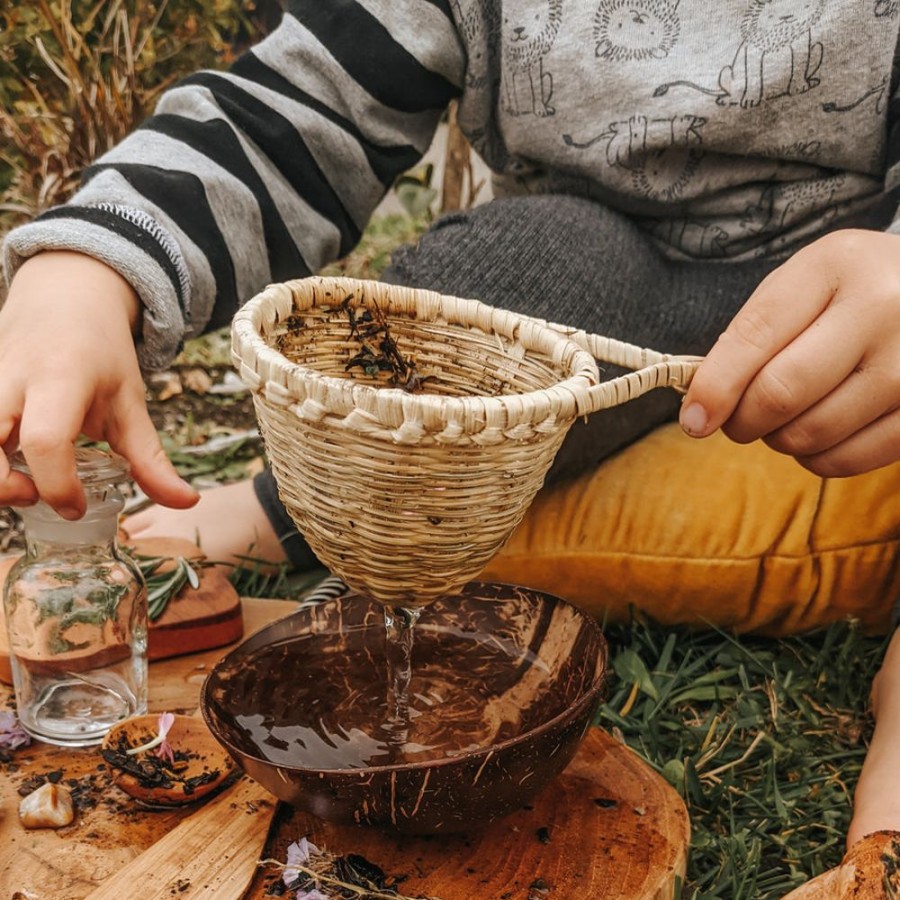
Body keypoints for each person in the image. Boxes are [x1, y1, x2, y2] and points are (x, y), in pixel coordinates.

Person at [2, 0, 900, 850]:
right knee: (480, 289)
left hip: (840, 307)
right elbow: (291, 115)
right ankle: (285, 509)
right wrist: (84, 270)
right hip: (583, 280)